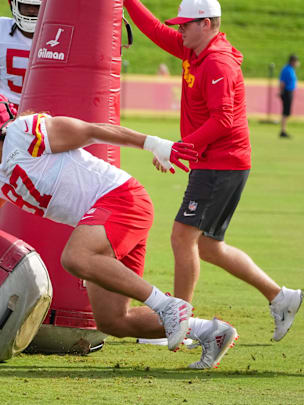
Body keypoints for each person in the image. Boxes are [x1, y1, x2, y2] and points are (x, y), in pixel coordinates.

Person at [0, 89, 239, 369]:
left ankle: (167, 305)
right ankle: (211, 332)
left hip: (121, 198)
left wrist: (153, 144)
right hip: (104, 218)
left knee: (75, 256)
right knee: (113, 321)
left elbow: (92, 130)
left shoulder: (26, 133)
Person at [124, 0, 302, 342]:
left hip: (220, 163)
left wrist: (177, 149)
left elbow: (222, 120)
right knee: (206, 246)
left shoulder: (216, 61)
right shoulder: (196, 49)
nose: (179, 29)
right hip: (219, 162)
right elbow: (154, 30)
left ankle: (180, 326)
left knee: (181, 236)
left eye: (185, 24)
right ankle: (281, 298)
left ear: (206, 24)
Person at [0, 0, 40, 108]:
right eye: (25, 4)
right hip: (8, 110)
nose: (31, 10)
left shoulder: (61, 34)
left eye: (37, 6)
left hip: (46, 113)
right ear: (14, 4)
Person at [279, 54, 299, 139]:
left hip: (289, 92)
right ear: (292, 61)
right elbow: (282, 82)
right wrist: (281, 92)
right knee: (285, 111)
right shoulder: (286, 69)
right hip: (286, 92)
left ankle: (283, 130)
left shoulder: (291, 69)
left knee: (287, 112)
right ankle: (283, 130)